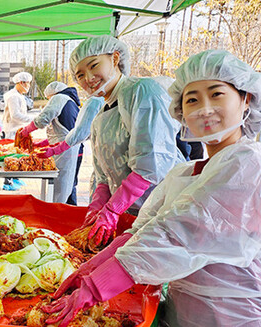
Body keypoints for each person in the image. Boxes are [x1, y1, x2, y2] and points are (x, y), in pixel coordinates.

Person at [41, 49, 261, 327]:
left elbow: (173, 234)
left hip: (233, 315)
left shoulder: (248, 165)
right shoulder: (184, 174)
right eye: (192, 100)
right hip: (183, 310)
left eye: (217, 94)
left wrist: (95, 287)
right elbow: (141, 230)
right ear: (181, 112)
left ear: (246, 99)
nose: (204, 109)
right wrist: (89, 268)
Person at [40, 35, 183, 247]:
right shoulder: (101, 115)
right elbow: (103, 176)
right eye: (80, 74)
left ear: (115, 59)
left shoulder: (141, 92)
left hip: (163, 211)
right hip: (131, 213)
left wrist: (112, 209)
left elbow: (151, 166)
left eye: (94, 65)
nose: (88, 78)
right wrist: (96, 209)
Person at [19, 81, 82, 204]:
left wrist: (26, 131)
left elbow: (44, 118)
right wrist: (42, 144)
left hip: (66, 152)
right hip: (73, 149)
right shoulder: (70, 101)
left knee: (62, 188)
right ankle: (70, 213)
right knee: (70, 185)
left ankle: (61, 215)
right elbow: (62, 132)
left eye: (49, 100)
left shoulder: (59, 98)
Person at [1, 71, 33, 191]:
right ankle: (8, 181)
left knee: (18, 155)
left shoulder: (19, 95)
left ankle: (15, 178)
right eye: (27, 83)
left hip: (18, 129)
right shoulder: (13, 96)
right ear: (20, 83)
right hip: (12, 130)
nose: (28, 86)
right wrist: (32, 120)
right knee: (11, 155)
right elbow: (15, 115)